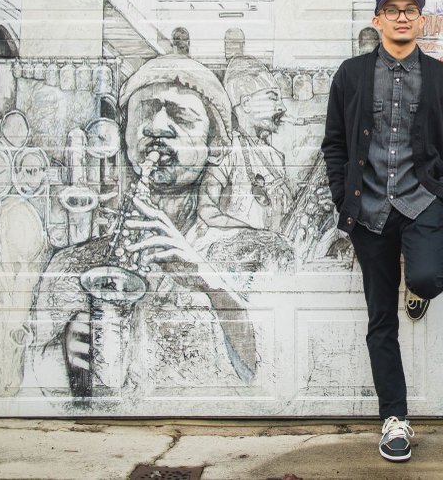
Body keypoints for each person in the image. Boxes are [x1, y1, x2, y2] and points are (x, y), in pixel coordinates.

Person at [25, 55, 290, 400]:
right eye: (146, 111)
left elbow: (279, 381)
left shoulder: (265, 256)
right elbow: (33, 388)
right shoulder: (66, 267)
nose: (157, 126)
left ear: (217, 146)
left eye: (181, 116)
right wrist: (64, 362)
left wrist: (211, 284)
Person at [321, 0, 443, 462]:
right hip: (368, 210)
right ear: (378, 20)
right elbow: (335, 143)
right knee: (380, 318)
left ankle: (418, 287)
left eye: (410, 9)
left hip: (420, 201)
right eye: (393, 9)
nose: (402, 17)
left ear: (421, 20)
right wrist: (342, 195)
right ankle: (395, 419)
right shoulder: (351, 74)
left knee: (428, 278)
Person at [198, 56, 294, 233]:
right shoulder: (228, 150)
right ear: (246, 104)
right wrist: (251, 235)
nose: (282, 107)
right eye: (273, 98)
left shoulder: (275, 156)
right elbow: (206, 208)